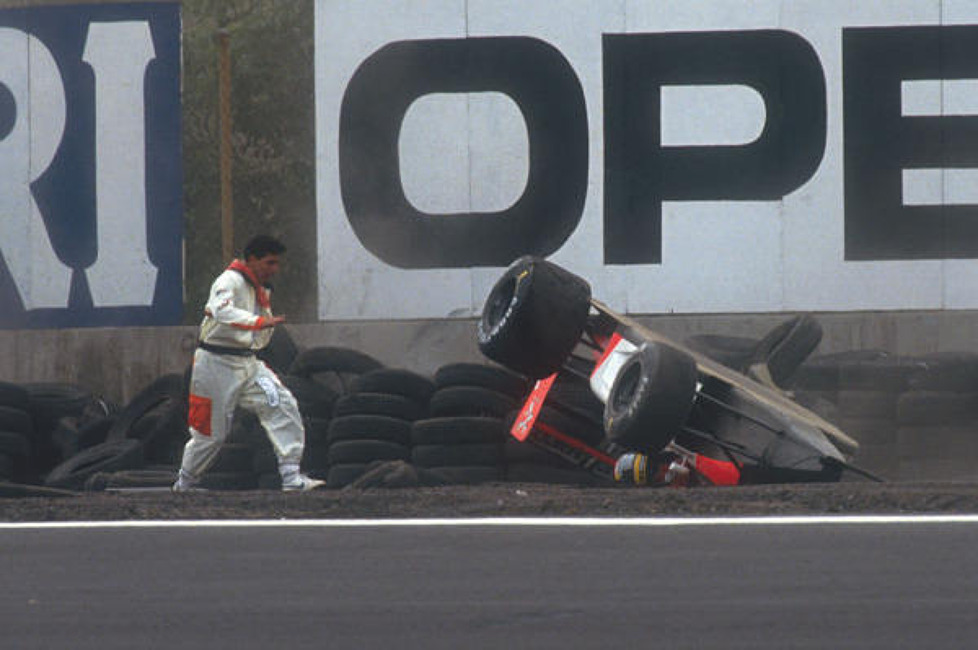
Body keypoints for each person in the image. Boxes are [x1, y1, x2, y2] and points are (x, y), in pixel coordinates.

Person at [173, 234, 324, 492]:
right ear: (252, 259)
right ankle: (185, 483)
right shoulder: (227, 281)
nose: (274, 270)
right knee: (211, 434)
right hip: (215, 365)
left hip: (248, 363)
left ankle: (291, 478)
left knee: (281, 402)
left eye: (277, 264)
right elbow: (221, 311)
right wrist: (258, 322)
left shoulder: (259, 288)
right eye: (269, 263)